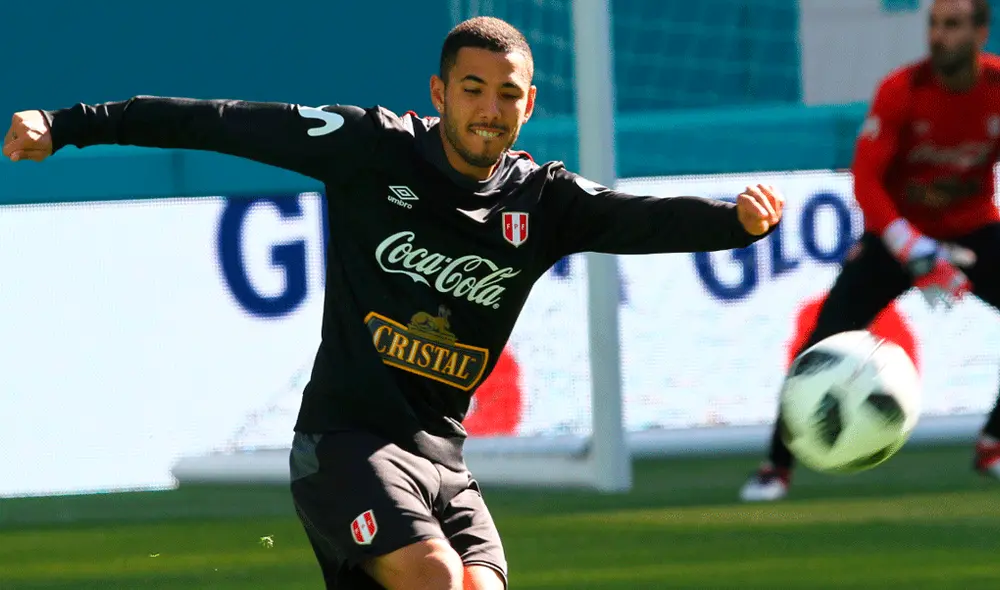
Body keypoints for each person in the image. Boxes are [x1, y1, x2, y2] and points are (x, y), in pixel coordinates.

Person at [4, 16, 783, 590]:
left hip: (444, 458)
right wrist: (70, 126)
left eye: (507, 95)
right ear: (439, 93)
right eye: (472, 90)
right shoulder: (365, 146)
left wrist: (735, 222)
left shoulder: (544, 203)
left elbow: (638, 219)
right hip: (343, 444)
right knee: (438, 580)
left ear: (530, 104)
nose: (489, 110)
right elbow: (217, 122)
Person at [739, 0, 1000, 503]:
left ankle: (993, 442)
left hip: (974, 230)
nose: (939, 36)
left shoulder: (995, 88)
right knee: (822, 339)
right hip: (896, 236)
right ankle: (776, 465)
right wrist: (913, 246)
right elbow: (867, 179)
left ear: (980, 32)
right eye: (933, 25)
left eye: (952, 25)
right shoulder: (903, 90)